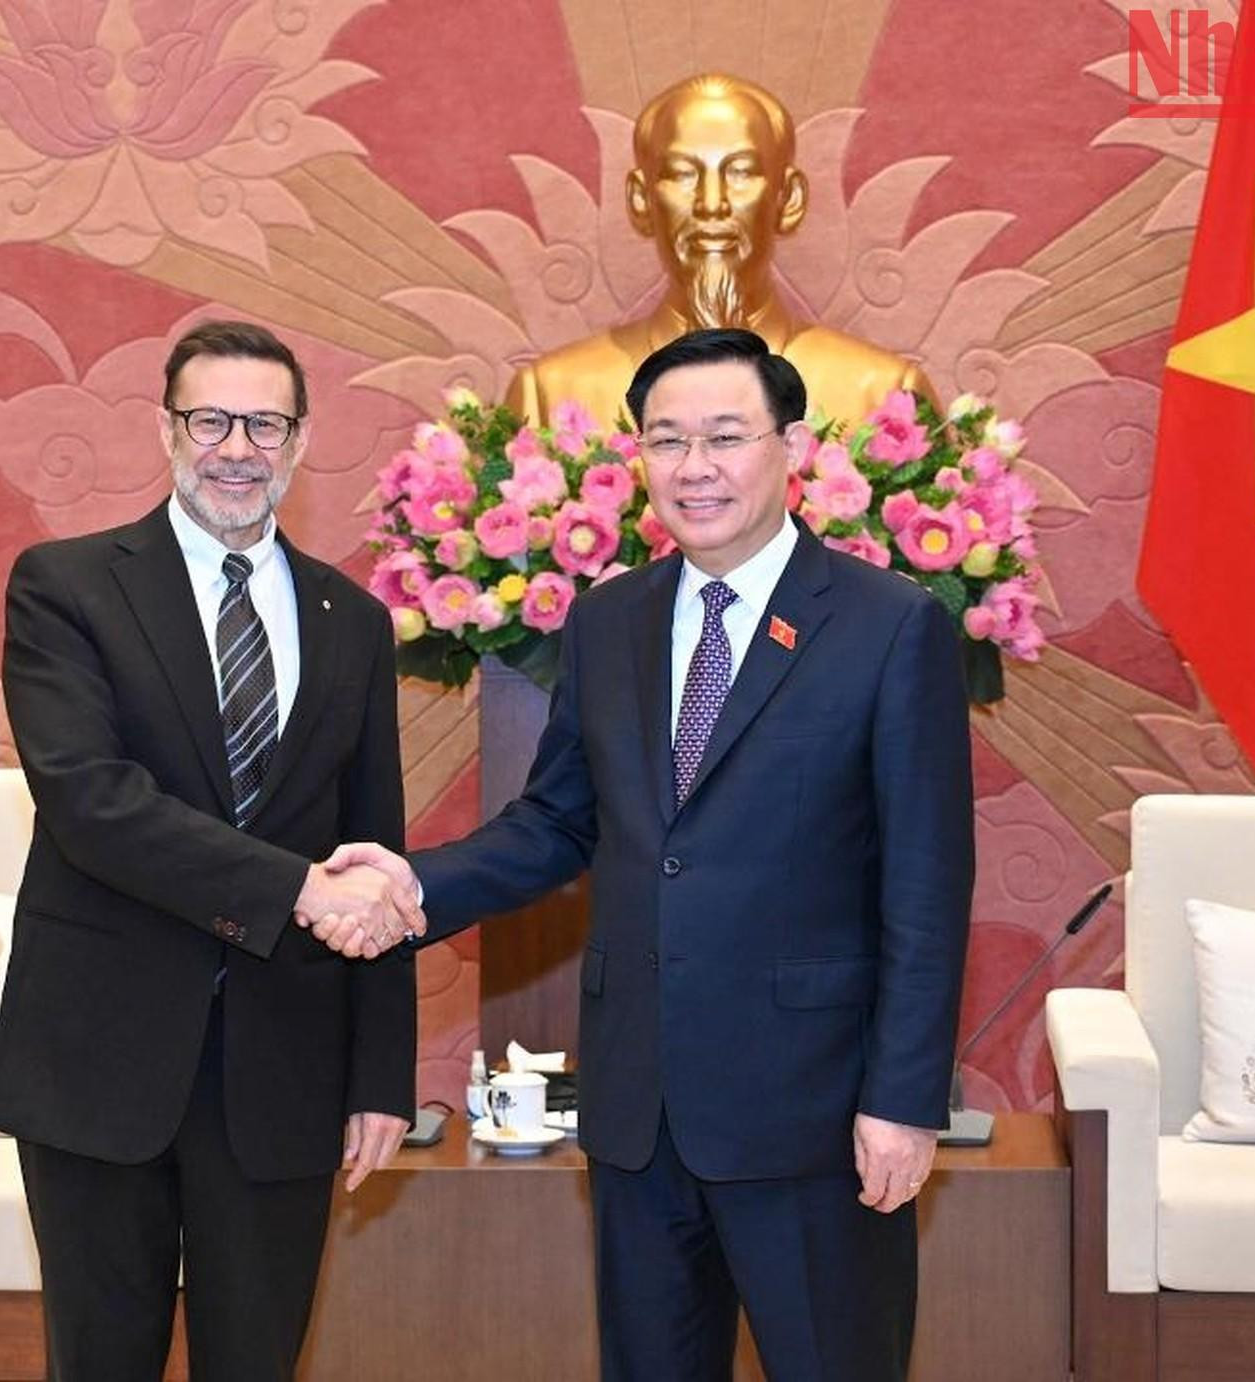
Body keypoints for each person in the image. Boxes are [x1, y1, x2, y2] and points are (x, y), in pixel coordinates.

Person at [316, 328, 974, 1382]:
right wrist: (413, 880)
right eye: (666, 440)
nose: (693, 466)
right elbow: (558, 821)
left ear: (790, 447)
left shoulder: (889, 627)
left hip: (811, 1113)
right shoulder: (609, 620)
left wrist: (902, 1098)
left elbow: (927, 887)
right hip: (638, 1110)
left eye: (724, 435)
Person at [0, 319, 424, 1381]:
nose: (237, 446)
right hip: (100, 1055)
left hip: (284, 1064)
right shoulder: (68, 585)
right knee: (99, 1360)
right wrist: (294, 889)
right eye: (211, 419)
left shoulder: (353, 620)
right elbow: (92, 801)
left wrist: (382, 1075)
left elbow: (375, 844)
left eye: (263, 422)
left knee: (259, 1362)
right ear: (167, 430)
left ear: (300, 439)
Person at [505, 72, 932, 431]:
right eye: (682, 174)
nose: (712, 205)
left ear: (789, 200)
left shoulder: (883, 396)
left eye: (742, 173)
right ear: (640, 200)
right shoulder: (551, 397)